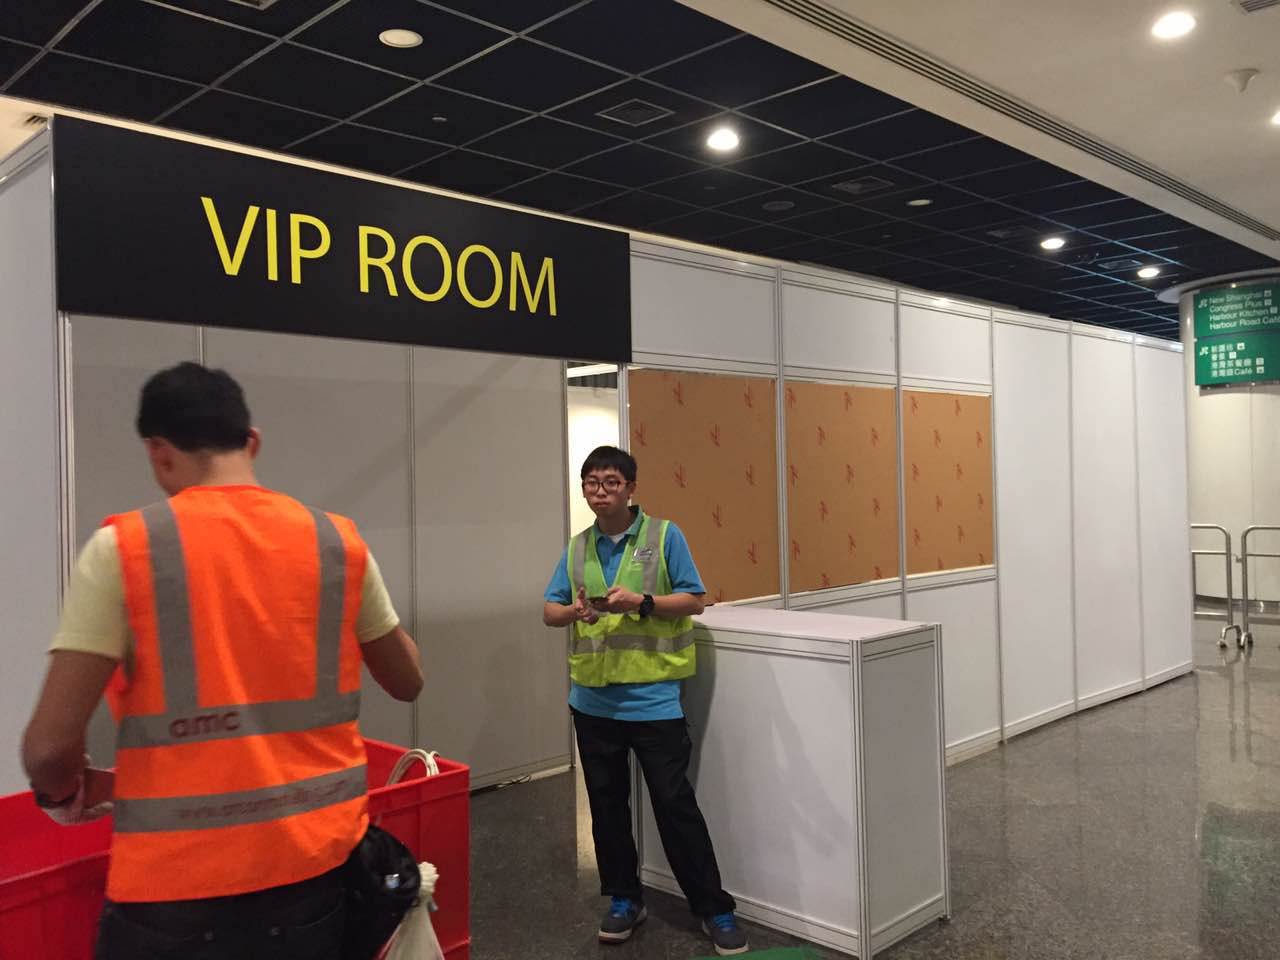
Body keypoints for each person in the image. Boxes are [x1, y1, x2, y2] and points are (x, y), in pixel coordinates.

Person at [20, 362, 423, 960]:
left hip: (172, 895)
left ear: (159, 452)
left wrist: (65, 793)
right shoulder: (335, 542)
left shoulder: (126, 549)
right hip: (315, 873)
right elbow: (407, 679)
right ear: (252, 441)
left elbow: (49, 750)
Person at [542, 445, 749, 956]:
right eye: (591, 482)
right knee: (607, 808)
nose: (600, 491)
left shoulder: (663, 536)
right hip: (592, 702)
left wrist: (643, 602)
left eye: (610, 482)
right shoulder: (577, 547)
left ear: (631, 488)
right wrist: (574, 613)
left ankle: (713, 908)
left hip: (654, 701)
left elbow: (695, 599)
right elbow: (550, 610)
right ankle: (624, 899)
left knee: (675, 806)